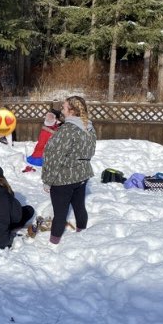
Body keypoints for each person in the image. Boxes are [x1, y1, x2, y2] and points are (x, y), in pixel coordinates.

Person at [41, 95, 97, 244]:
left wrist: (47, 180)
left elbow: (53, 157)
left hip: (63, 179)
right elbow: (91, 151)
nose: (61, 110)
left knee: (60, 214)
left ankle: (54, 243)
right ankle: (81, 235)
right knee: (79, 207)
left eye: (64, 107)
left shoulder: (67, 129)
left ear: (72, 110)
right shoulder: (89, 127)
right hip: (82, 175)